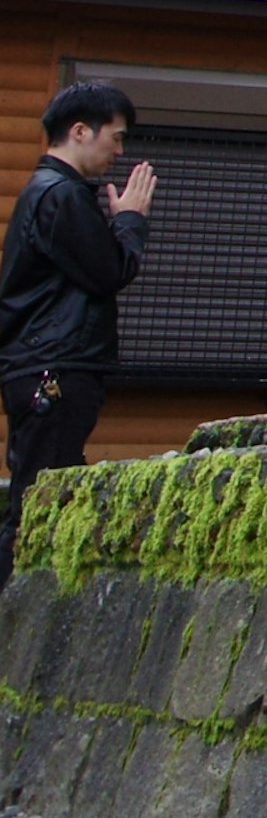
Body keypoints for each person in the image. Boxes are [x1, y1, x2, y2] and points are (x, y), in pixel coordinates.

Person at [0, 81, 153, 577]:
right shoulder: (61, 194)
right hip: (56, 368)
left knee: (39, 496)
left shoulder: (48, 192)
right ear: (81, 131)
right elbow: (109, 272)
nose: (119, 150)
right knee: (36, 505)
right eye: (116, 136)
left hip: (41, 365)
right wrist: (129, 221)